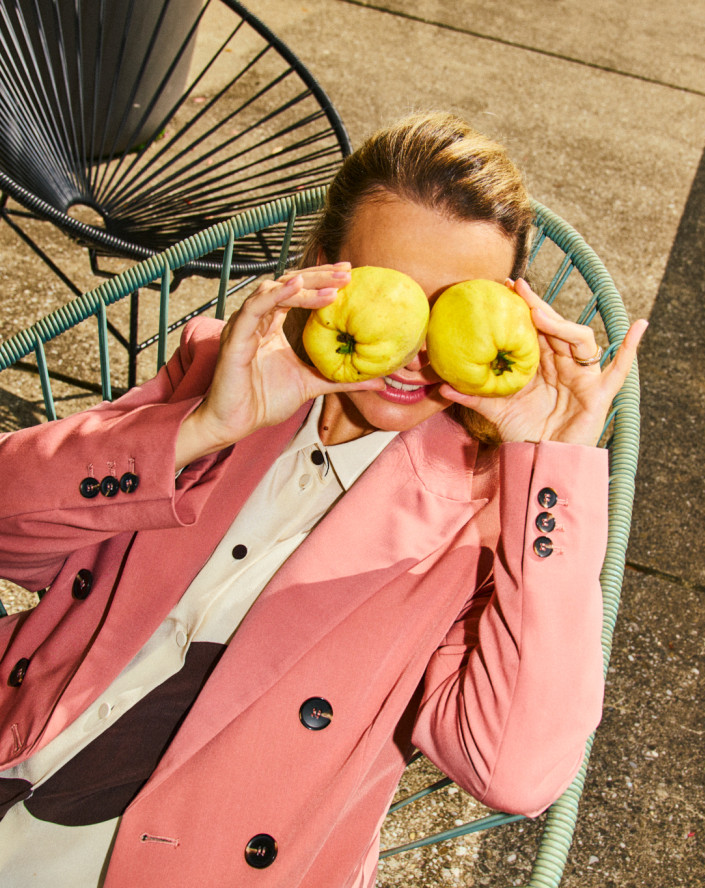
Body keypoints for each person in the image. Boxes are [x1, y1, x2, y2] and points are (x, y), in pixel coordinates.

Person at [0, 112, 646, 887]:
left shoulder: (487, 517)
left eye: (452, 306)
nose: (413, 349)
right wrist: (200, 429)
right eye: (394, 292)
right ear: (322, 269)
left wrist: (557, 470)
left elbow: (513, 771)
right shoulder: (219, 373)